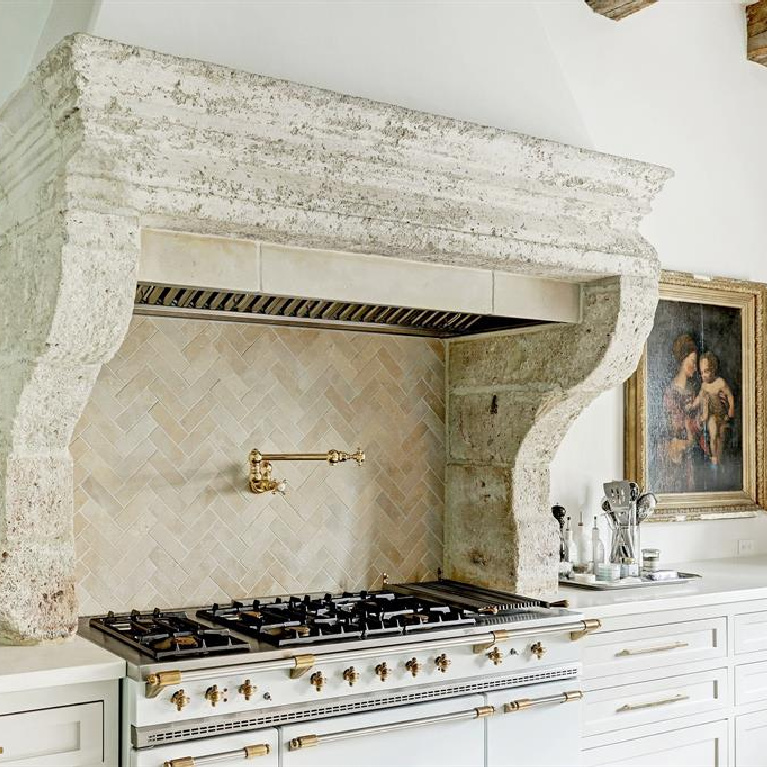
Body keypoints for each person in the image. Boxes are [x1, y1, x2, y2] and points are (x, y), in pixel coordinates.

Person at [660, 334, 701, 492]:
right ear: (683, 360)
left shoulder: (692, 392)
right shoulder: (670, 392)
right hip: (674, 454)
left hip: (688, 456)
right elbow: (672, 426)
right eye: (692, 362)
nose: (695, 367)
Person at [690, 351, 735, 466]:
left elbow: (730, 396)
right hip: (711, 416)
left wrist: (731, 410)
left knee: (721, 436)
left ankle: (719, 458)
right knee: (713, 433)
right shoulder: (704, 386)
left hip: (722, 415)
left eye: (706, 371)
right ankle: (714, 457)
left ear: (714, 370)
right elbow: (699, 398)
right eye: (701, 372)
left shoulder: (720, 382)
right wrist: (692, 405)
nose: (703, 375)